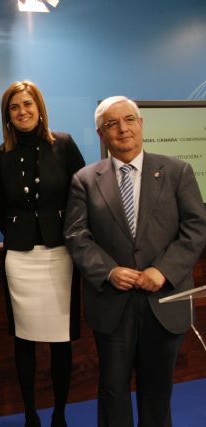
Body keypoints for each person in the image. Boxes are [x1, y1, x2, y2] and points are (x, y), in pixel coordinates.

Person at [64, 96, 206, 427]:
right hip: (113, 303)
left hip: (165, 299)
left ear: (141, 124)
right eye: (112, 124)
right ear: (101, 134)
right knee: (112, 390)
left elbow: (196, 228)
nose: (123, 129)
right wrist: (108, 271)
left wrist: (164, 270)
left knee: (158, 392)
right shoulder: (85, 180)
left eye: (129, 119)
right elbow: (76, 236)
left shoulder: (177, 171)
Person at [0, 81, 85, 427]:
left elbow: (81, 196)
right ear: (8, 116)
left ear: (39, 107)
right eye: (14, 107)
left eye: (28, 104)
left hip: (61, 253)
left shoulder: (65, 145)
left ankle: (59, 413)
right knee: (24, 338)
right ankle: (31, 414)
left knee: (61, 339)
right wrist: (22, 233)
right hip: (20, 257)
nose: (22, 111)